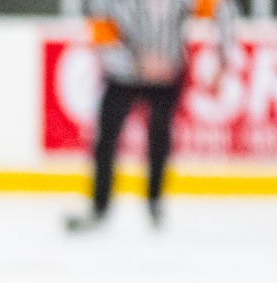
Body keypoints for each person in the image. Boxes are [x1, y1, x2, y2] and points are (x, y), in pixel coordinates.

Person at [68, 0, 236, 232]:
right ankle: (100, 206)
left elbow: (221, 8)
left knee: (159, 136)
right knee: (106, 139)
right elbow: (101, 32)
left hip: (167, 74)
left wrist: (223, 61)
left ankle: (155, 201)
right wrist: (137, 64)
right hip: (123, 75)